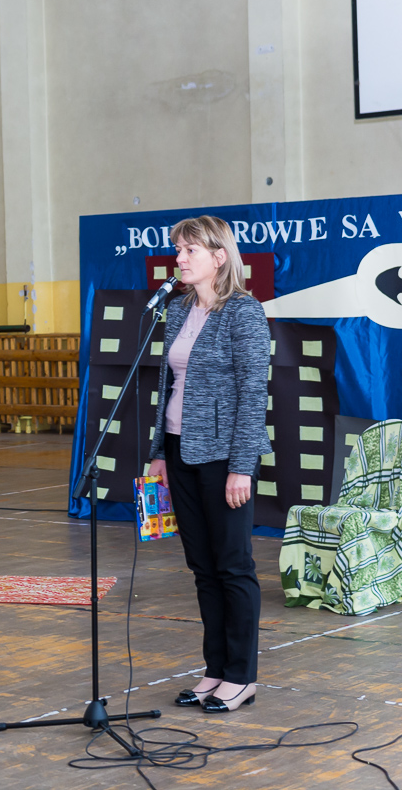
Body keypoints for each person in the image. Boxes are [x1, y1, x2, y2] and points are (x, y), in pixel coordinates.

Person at [147, 215, 272, 714]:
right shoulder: (177, 309)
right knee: (202, 568)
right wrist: (159, 452)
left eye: (189, 250)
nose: (178, 258)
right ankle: (214, 670)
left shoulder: (244, 312)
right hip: (180, 451)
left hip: (224, 457)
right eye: (177, 249)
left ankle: (241, 677)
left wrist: (242, 466)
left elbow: (253, 393)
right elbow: (167, 388)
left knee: (233, 566)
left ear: (219, 257)